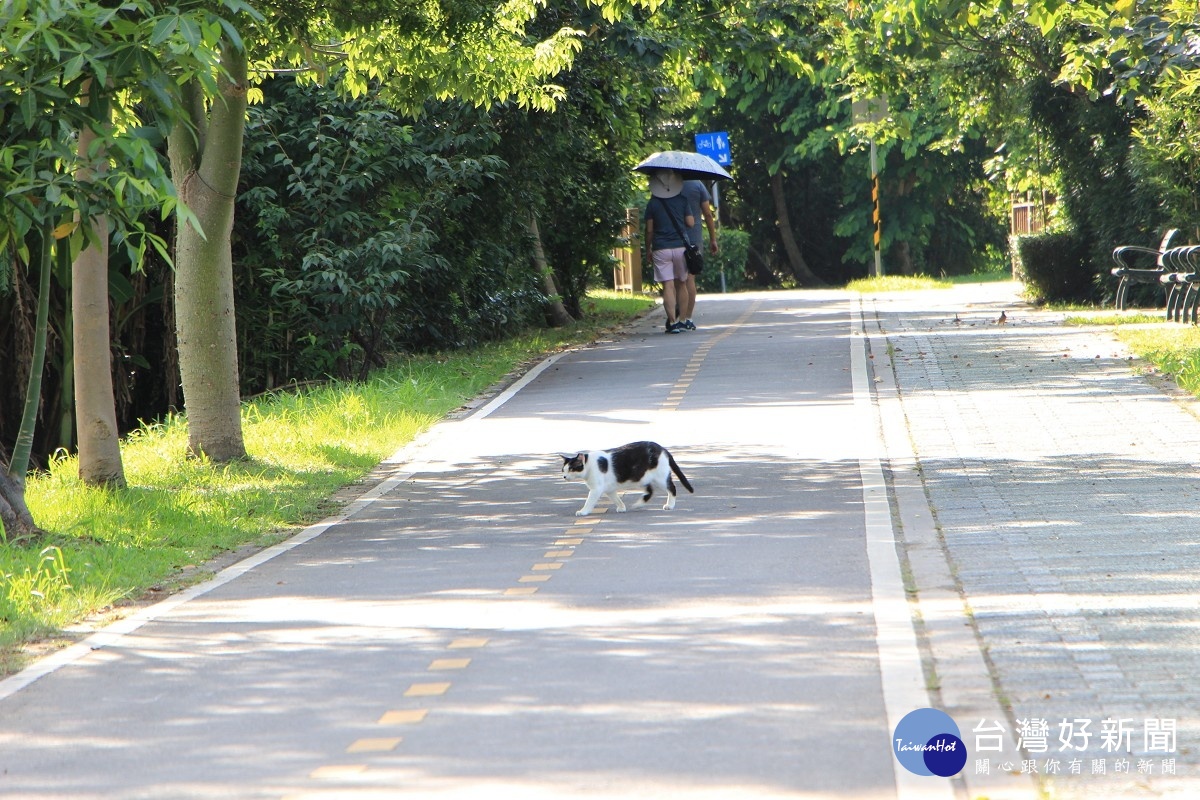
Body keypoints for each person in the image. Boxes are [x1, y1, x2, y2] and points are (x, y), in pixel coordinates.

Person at [643, 169, 696, 334]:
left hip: (661, 248)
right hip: (680, 247)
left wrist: (648, 248)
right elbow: (691, 223)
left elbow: (649, 230)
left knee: (668, 285)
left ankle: (672, 322)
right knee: (682, 283)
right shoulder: (682, 200)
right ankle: (683, 320)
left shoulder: (652, 204)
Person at [678, 179, 720, 330]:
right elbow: (707, 214)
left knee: (677, 278)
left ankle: (677, 316)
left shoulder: (669, 185)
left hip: (673, 238)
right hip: (694, 238)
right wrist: (713, 239)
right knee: (690, 278)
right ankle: (687, 317)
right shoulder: (698, 185)